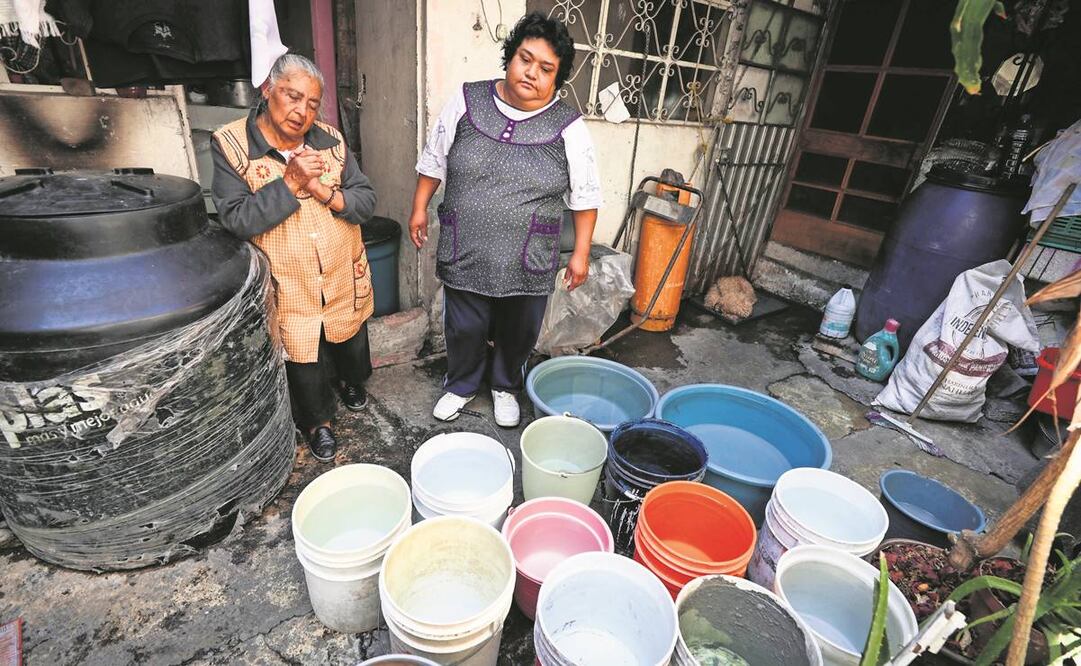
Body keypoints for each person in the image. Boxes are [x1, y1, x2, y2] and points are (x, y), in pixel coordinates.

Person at [410, 12, 602, 427]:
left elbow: (586, 196)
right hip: (468, 244)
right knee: (464, 323)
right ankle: (460, 383)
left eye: (545, 68)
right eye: (524, 59)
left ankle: (504, 384)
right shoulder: (467, 100)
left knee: (520, 326)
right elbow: (434, 157)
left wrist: (581, 253)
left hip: (529, 252)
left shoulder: (569, 127)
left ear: (557, 78)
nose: (531, 73)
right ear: (509, 57)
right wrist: (419, 206)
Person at [211, 54, 377, 463]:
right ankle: (318, 421)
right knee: (303, 353)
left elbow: (366, 200)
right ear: (268, 90)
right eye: (292, 96)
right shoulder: (231, 144)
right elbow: (235, 220)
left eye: (312, 103)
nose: (302, 111)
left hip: (341, 270)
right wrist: (289, 182)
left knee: (351, 334)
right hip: (289, 279)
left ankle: (354, 382)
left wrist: (326, 192)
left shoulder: (331, 140)